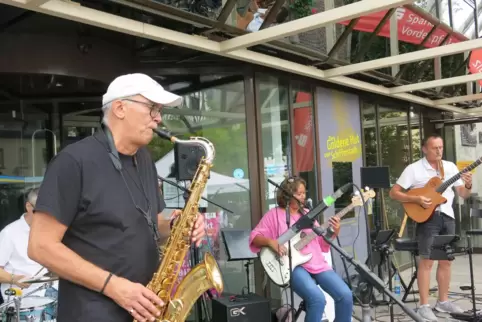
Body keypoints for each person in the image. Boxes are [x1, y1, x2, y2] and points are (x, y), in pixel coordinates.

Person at [28, 73, 207, 322]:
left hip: (144, 308)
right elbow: (40, 247)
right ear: (120, 108)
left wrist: (179, 225)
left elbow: (152, 225)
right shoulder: (74, 161)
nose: (158, 118)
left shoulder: (144, 160)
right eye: (152, 108)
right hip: (92, 313)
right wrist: (115, 287)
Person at [389, 134, 472, 321]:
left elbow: (463, 194)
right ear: (425, 149)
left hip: (448, 217)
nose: (439, 151)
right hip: (427, 218)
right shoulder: (414, 169)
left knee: (446, 261)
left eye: (441, 147)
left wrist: (468, 183)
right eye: (435, 148)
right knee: (426, 261)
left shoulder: (450, 167)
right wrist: (416, 199)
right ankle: (424, 306)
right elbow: (394, 192)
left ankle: (443, 302)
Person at [249, 177, 353, 322]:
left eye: (304, 193)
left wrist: (333, 232)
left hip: (316, 263)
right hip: (292, 265)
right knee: (317, 299)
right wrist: (271, 242)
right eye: (299, 193)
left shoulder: (308, 214)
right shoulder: (274, 214)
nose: (303, 196)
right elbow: (254, 237)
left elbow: (322, 245)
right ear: (287, 195)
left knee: (346, 295)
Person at [0, 188, 58, 303]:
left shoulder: (51, 230)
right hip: (23, 297)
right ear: (29, 206)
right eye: (42, 212)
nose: (47, 217)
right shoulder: (9, 233)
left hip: (52, 290)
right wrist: (14, 279)